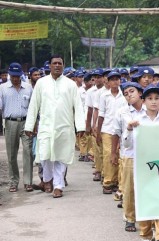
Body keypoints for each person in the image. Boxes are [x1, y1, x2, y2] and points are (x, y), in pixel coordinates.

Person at [24, 55, 86, 198]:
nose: (57, 65)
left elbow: (78, 106)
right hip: (46, 125)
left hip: (64, 126)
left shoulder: (70, 84)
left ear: (63, 66)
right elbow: (34, 105)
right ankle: (47, 180)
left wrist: (80, 127)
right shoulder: (41, 83)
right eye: (54, 63)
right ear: (50, 66)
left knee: (61, 157)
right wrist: (29, 125)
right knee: (44, 155)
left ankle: (58, 186)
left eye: (60, 63)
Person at [122, 84, 159, 241]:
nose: (153, 102)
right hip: (142, 166)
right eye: (150, 98)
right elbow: (127, 145)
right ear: (143, 101)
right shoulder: (137, 120)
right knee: (144, 199)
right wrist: (129, 129)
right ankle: (145, 236)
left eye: (157, 98)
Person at [112, 81, 146, 232]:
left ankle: (147, 217)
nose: (129, 95)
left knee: (146, 187)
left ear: (140, 92)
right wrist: (113, 152)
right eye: (125, 94)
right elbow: (116, 133)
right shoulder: (122, 112)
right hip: (129, 154)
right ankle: (130, 218)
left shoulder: (149, 110)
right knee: (129, 188)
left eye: (131, 91)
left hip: (147, 154)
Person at [0, 62, 34, 192]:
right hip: (10, 122)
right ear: (9, 75)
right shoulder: (3, 88)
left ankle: (28, 182)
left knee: (28, 151)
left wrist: (34, 124)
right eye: (13, 76)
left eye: (17, 76)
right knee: (11, 154)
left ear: (21, 75)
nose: (15, 79)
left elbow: (33, 107)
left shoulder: (28, 87)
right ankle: (13, 181)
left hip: (26, 122)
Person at [97, 71, 126, 195]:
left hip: (121, 130)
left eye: (117, 79)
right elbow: (101, 114)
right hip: (107, 129)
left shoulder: (124, 95)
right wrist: (98, 131)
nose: (115, 81)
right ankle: (108, 182)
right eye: (112, 79)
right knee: (109, 154)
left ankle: (118, 181)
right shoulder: (104, 96)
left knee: (119, 155)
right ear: (108, 82)